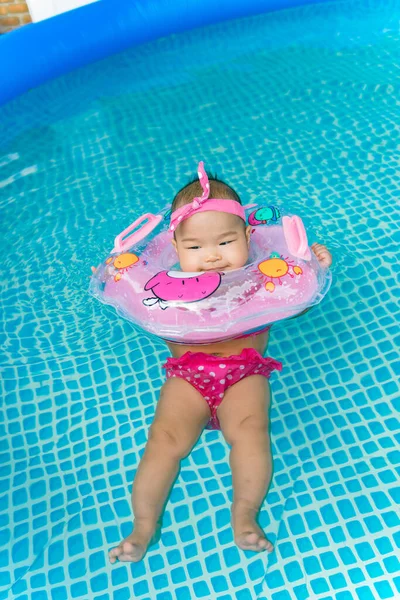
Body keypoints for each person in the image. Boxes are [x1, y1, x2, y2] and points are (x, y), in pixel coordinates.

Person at [107, 162, 332, 563]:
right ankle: (142, 528)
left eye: (226, 243)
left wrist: (313, 266)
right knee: (163, 443)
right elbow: (136, 302)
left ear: (248, 237)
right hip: (188, 376)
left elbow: (295, 306)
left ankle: (245, 514)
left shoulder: (260, 277)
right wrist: (118, 280)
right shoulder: (162, 287)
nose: (211, 257)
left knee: (250, 433)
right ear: (174, 249)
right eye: (195, 248)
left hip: (245, 371)